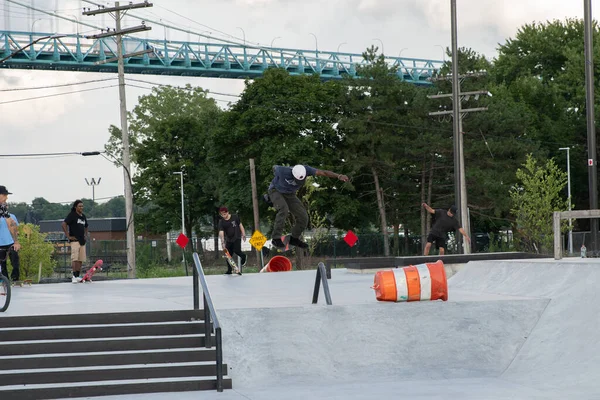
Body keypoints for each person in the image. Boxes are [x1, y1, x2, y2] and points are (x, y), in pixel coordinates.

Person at [268, 164, 349, 249]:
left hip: (290, 194)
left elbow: (324, 172)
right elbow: (274, 167)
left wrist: (338, 176)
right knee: (284, 209)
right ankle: (276, 238)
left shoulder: (307, 170)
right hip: (275, 191)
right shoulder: (282, 171)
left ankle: (294, 238)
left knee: (304, 217)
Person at [61, 200, 89, 283]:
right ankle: (74, 276)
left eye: (82, 206)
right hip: (75, 240)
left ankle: (77, 275)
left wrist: (86, 235)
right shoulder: (72, 215)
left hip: (82, 241)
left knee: (80, 259)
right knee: (75, 258)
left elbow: (86, 226)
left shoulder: (83, 216)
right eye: (79, 206)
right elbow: (64, 224)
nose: (81, 208)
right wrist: (68, 235)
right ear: (75, 207)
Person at [217, 206, 247, 274]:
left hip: (237, 237)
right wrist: (222, 242)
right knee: (228, 255)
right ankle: (229, 270)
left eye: (225, 214)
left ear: (228, 212)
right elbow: (221, 232)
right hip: (229, 239)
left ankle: (244, 256)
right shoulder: (221, 222)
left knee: (237, 250)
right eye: (222, 215)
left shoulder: (235, 217)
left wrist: (244, 234)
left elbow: (240, 225)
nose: (224, 216)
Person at [0, 186, 20, 280]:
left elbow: (11, 224)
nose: (6, 198)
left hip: (9, 243)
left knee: (14, 260)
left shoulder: (3, 208)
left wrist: (16, 241)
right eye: (4, 195)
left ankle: (11, 279)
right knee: (2, 265)